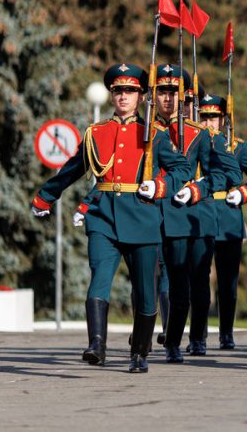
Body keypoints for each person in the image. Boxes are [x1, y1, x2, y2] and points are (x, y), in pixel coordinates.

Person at [30, 63, 190, 372]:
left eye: (130, 91)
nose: (123, 96)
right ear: (111, 95)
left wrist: (159, 186)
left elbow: (182, 169)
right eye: (118, 91)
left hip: (142, 217)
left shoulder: (154, 135)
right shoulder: (96, 133)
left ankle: (139, 352)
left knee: (145, 291)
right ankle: (97, 345)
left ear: (141, 97)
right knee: (99, 278)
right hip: (103, 217)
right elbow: (74, 168)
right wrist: (46, 196)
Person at [152, 65, 241, 363]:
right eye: (164, 93)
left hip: (196, 215)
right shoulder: (148, 131)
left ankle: (195, 338)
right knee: (168, 281)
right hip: (157, 214)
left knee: (197, 282)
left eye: (186, 98)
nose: (177, 102)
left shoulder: (202, 135)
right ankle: (164, 334)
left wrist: (198, 188)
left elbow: (229, 173)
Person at [200, 94, 247, 350]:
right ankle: (198, 335)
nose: (209, 123)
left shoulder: (238, 147)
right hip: (200, 213)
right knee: (199, 278)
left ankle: (226, 332)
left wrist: (244, 193)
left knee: (228, 280)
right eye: (204, 117)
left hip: (229, 216)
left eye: (214, 117)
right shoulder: (193, 144)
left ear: (223, 120)